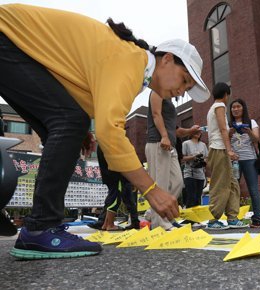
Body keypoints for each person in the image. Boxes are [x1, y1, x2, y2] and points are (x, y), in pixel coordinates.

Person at [0, 4, 209, 259]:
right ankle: (41, 227)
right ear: (166, 59)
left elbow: (80, 89)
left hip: (13, 43)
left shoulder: (134, 66)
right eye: (184, 79)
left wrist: (82, 131)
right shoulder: (131, 60)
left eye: (187, 88)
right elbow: (110, 130)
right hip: (7, 36)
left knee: (70, 122)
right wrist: (152, 190)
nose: (182, 91)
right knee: (69, 121)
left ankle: (40, 226)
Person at [146, 91, 201, 230]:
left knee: (178, 182)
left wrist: (190, 130)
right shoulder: (157, 91)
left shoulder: (169, 100)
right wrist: (164, 136)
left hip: (170, 145)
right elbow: (156, 114)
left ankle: (154, 213)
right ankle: (159, 222)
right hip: (158, 142)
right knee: (161, 184)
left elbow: (176, 130)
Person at [206, 83, 247, 230]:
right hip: (219, 149)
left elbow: (223, 129)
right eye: (228, 95)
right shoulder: (219, 107)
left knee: (232, 184)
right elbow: (223, 129)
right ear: (225, 95)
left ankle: (232, 217)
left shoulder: (214, 108)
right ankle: (213, 219)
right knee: (221, 184)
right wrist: (229, 150)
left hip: (220, 149)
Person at [229, 99, 260, 227]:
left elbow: (256, 139)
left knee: (253, 189)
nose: (236, 109)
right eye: (233, 107)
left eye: (238, 106)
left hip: (250, 159)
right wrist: (229, 132)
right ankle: (233, 218)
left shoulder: (251, 122)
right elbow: (225, 140)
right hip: (234, 161)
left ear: (243, 108)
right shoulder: (229, 124)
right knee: (233, 189)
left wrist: (248, 131)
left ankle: (257, 219)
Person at [88, 146, 140, 231]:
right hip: (117, 175)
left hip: (117, 175)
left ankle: (106, 223)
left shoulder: (104, 141)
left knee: (123, 198)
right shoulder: (109, 141)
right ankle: (108, 223)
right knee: (115, 198)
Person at [182, 130, 208, 208]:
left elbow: (206, 157)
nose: (198, 133)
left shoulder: (203, 144)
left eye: (199, 132)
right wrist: (194, 157)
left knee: (198, 197)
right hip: (189, 173)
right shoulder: (186, 143)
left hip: (200, 174)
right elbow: (182, 158)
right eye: (196, 131)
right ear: (191, 133)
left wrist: (204, 161)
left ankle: (198, 217)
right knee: (191, 197)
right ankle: (190, 217)